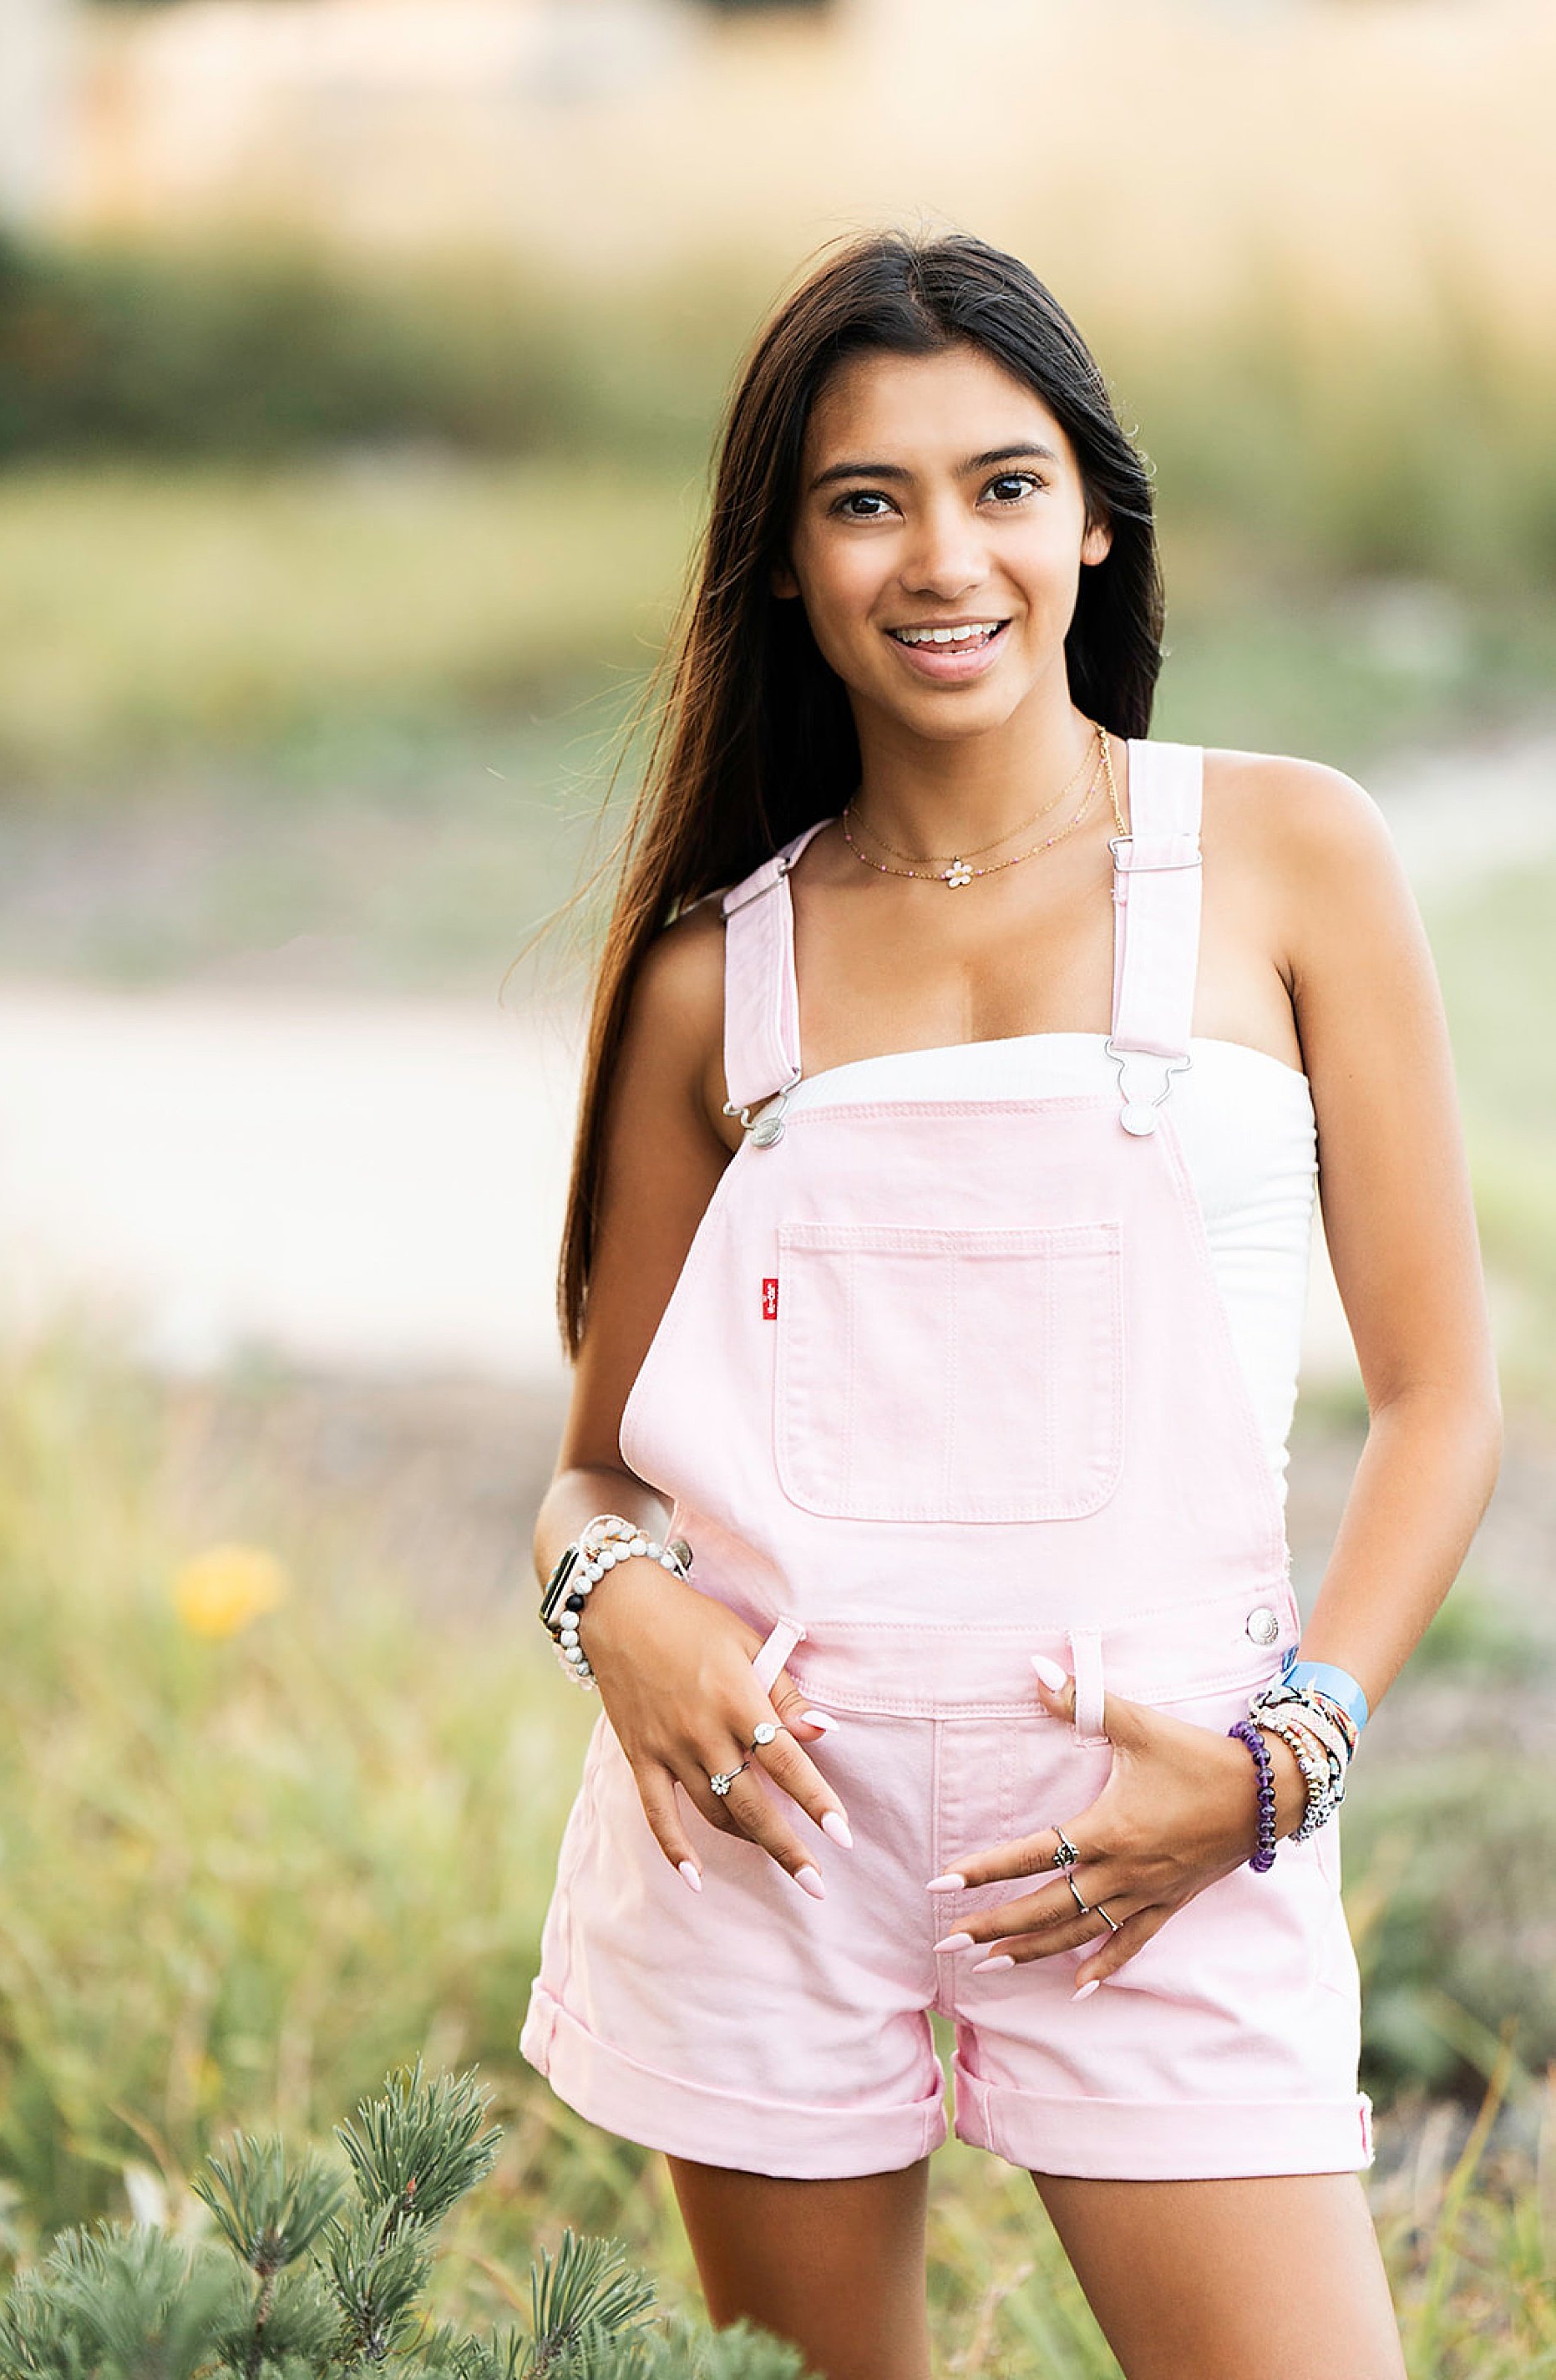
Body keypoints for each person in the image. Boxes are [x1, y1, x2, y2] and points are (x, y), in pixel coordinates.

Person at [517, 228, 1502, 2380]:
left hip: (1167, 1809)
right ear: (780, 562)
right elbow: (598, 1462)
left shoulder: (1288, 858)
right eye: (865, 499)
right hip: (773, 1832)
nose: (941, 554)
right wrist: (619, 1603)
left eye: (1006, 483)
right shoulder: (720, 972)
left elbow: (1442, 1398)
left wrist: (1277, 1765)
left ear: (1096, 518)